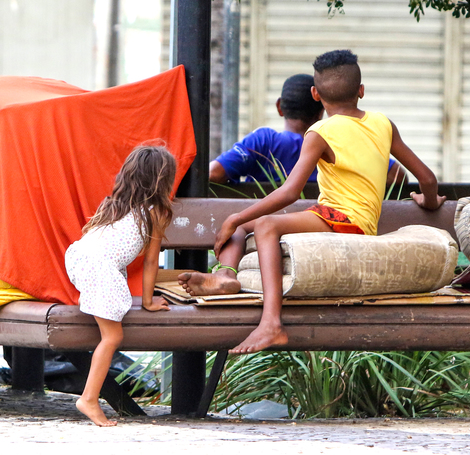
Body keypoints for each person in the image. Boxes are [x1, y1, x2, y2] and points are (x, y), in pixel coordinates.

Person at [178, 49, 445, 354]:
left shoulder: (319, 132)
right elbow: (427, 178)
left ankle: (271, 325)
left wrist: (233, 218)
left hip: (342, 221)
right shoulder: (383, 124)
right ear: (361, 91)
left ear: (316, 94)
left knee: (262, 224)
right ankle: (225, 276)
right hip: (341, 218)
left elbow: (290, 192)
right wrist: (430, 201)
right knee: (246, 222)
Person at [65, 145, 176, 427]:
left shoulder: (113, 204)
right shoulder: (156, 211)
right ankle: (88, 399)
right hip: (100, 267)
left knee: (110, 320)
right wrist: (149, 302)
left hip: (78, 257)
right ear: (163, 180)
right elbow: (152, 262)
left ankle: (90, 397)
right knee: (112, 337)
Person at [209, 73, 405, 187]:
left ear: (279, 107)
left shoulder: (263, 142)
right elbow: (398, 175)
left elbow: (214, 173)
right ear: (322, 112)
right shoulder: (337, 143)